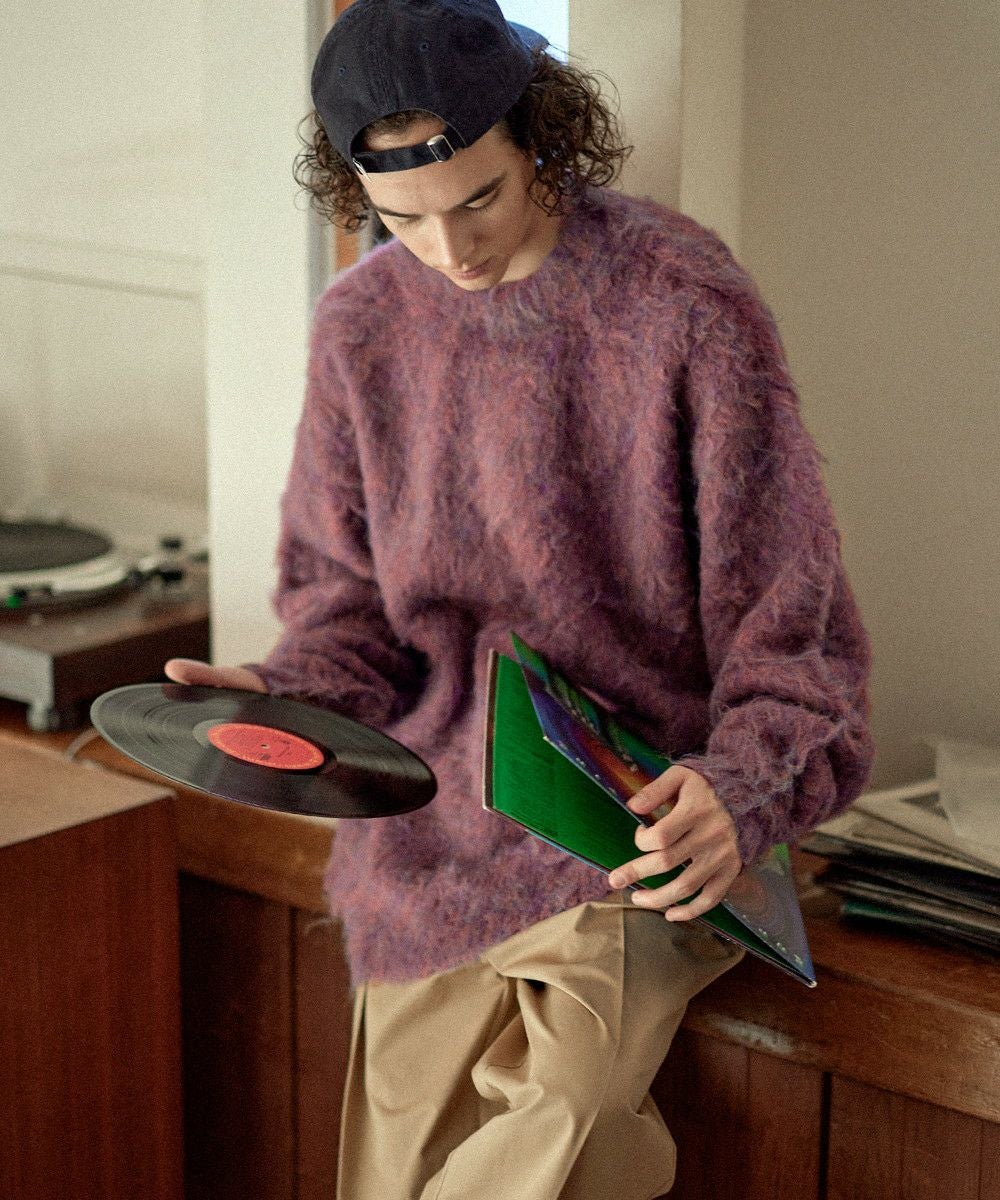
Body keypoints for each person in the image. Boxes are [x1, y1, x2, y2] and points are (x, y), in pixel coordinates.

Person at [166, 1, 875, 1196]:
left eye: (478, 199)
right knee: (395, 1176)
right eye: (401, 219)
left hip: (632, 820)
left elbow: (791, 630)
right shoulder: (360, 328)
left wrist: (742, 787)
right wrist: (279, 695)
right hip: (425, 828)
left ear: (541, 134)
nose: (450, 251)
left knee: (569, 1109)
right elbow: (347, 618)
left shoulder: (683, 303)